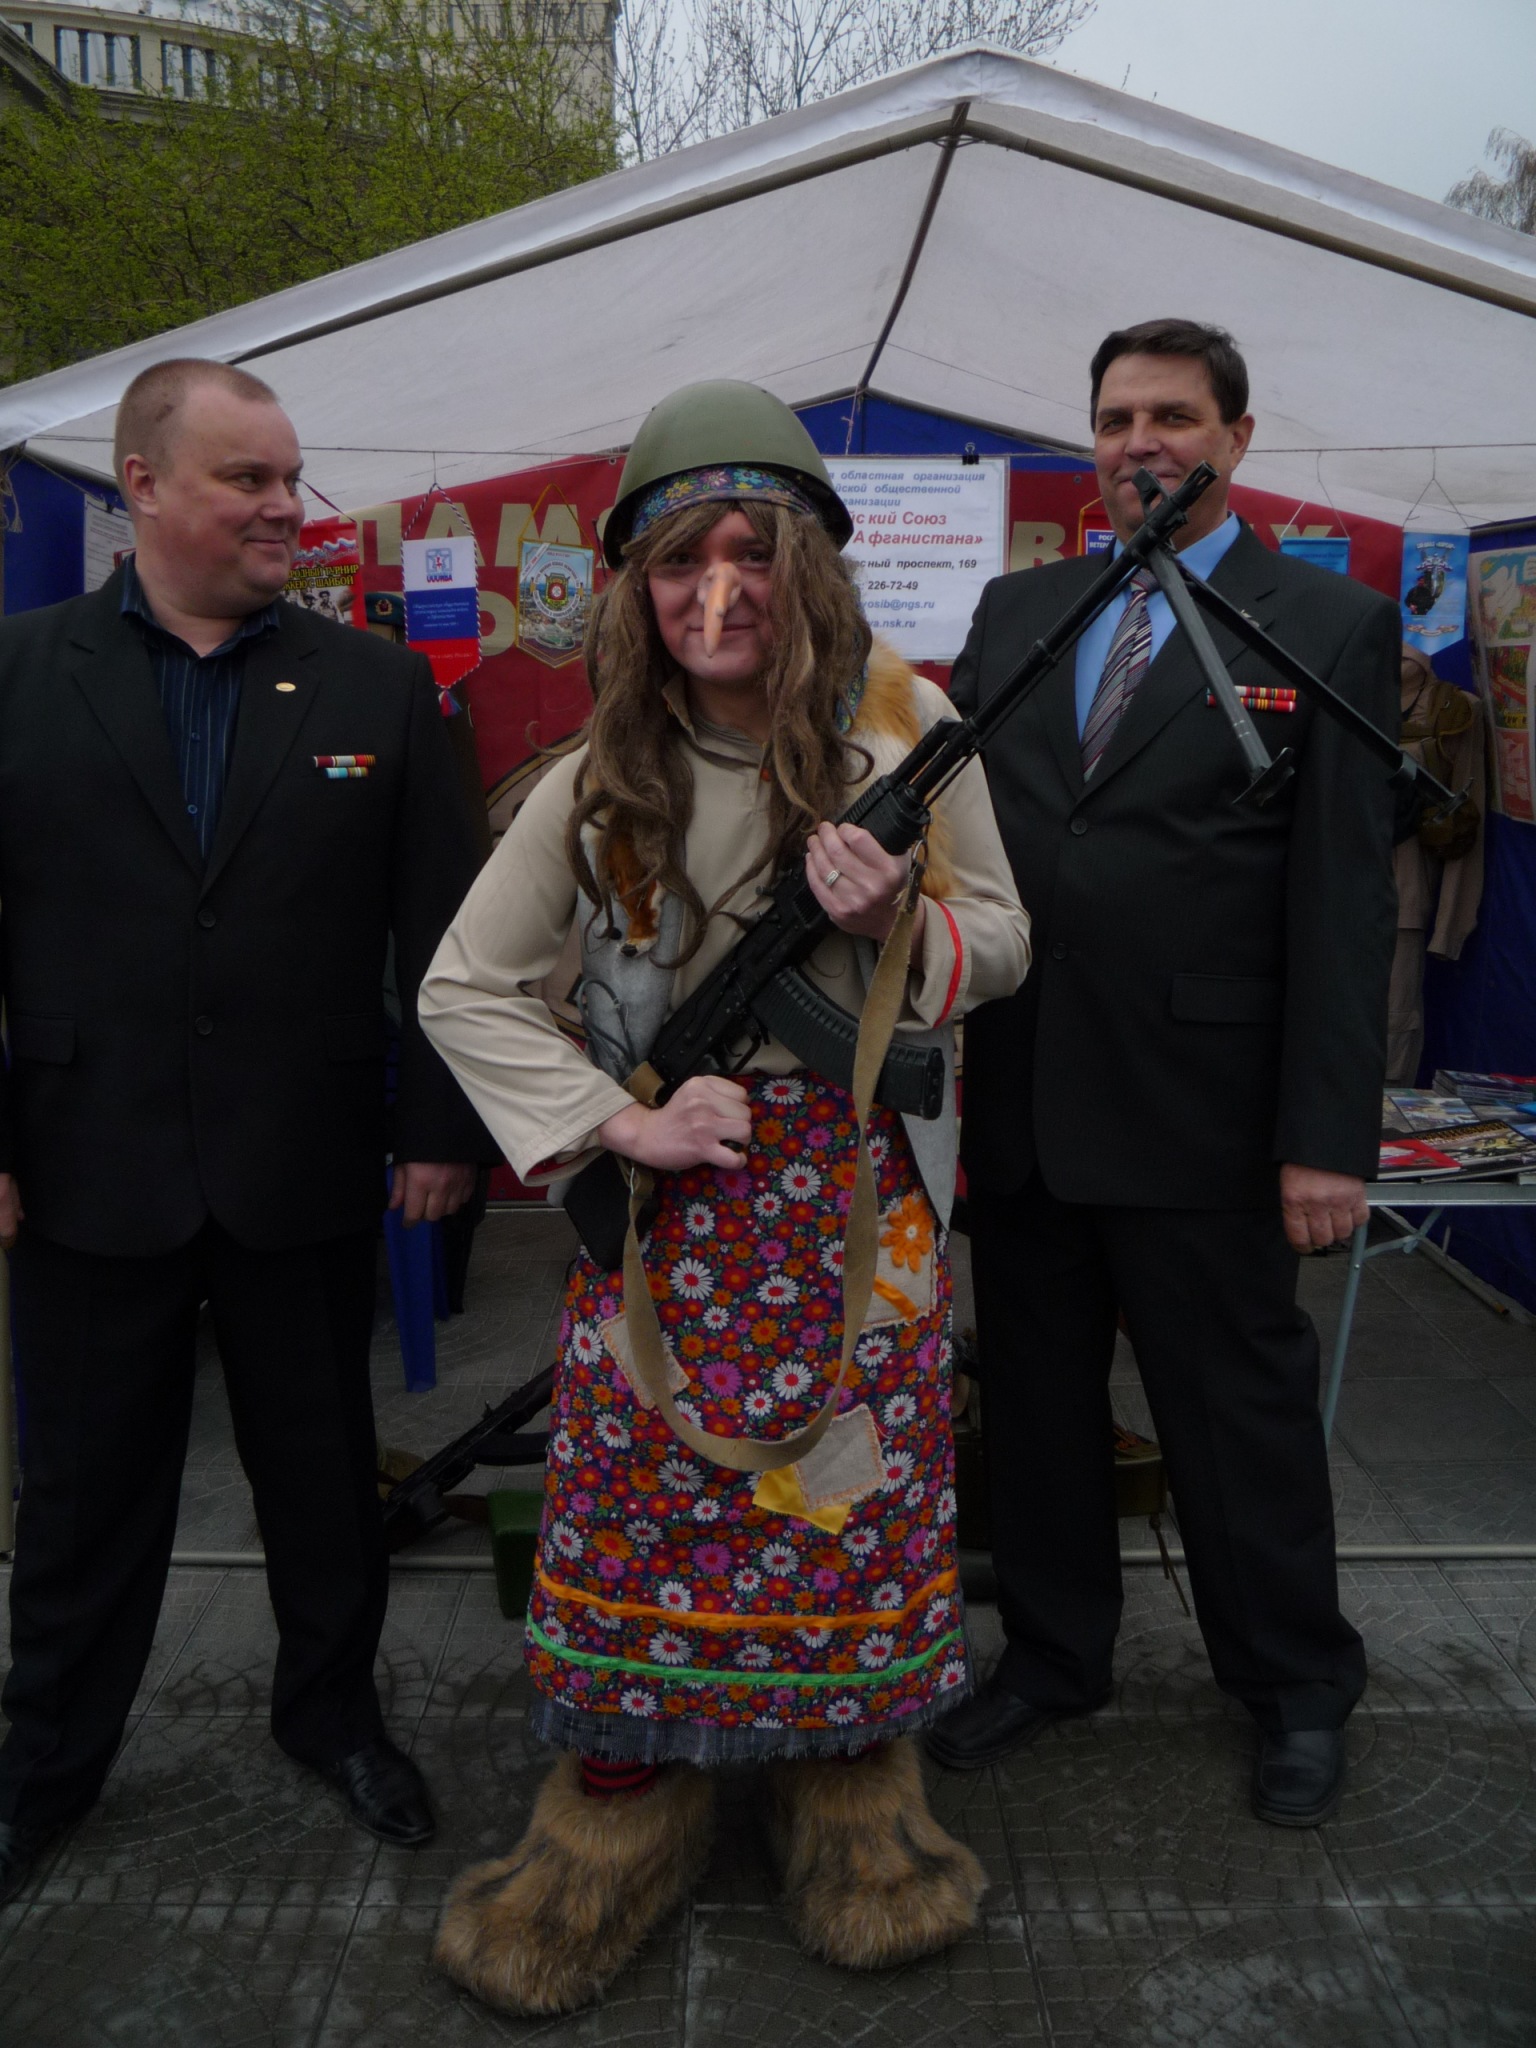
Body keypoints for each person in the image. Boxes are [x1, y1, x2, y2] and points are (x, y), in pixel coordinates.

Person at [417, 380, 1031, 2014]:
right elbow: (463, 989)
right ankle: (615, 1818)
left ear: (810, 568)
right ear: (636, 584)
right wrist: (618, 1124)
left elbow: (1008, 941)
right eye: (683, 562)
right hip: (669, 1233)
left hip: (859, 1222)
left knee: (848, 1509)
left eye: (754, 555)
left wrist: (898, 918)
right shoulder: (597, 778)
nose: (718, 594)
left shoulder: (903, 734)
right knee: (648, 1511)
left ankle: (854, 1804)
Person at [0, 359, 489, 1905]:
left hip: (306, 1158)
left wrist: (441, 1129)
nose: (288, 507)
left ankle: (334, 1719)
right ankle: (45, 1766)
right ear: (144, 484)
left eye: (290, 477)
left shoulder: (376, 686)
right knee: (83, 1496)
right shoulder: (21, 670)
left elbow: (448, 932)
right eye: (249, 480)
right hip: (82, 1162)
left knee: (320, 1473)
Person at [926, 320, 1400, 1828]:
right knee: (1040, 1410)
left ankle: (1295, 1684)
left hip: (1210, 1114)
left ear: (1236, 440)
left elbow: (1346, 904)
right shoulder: (1022, 610)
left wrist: (1327, 1138)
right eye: (1118, 416)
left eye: (1176, 416)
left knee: (1234, 1421)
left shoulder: (1323, 625)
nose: (1144, 441)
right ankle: (1055, 1658)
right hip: (1028, 1100)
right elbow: (969, 835)